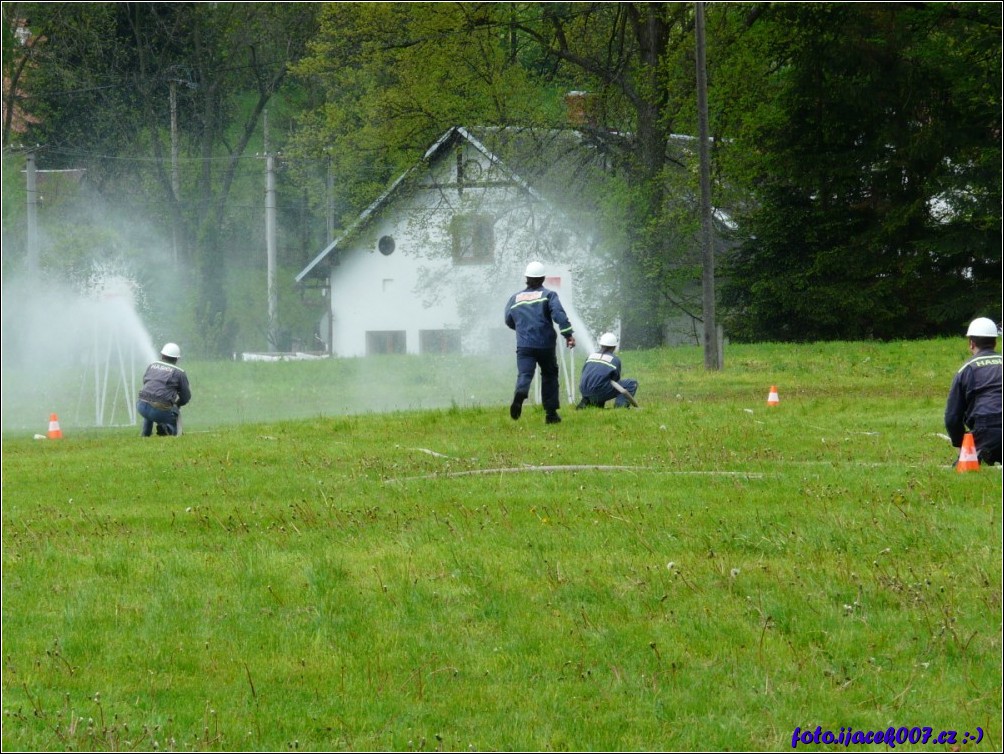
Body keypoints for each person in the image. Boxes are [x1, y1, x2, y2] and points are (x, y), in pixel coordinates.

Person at [504, 261, 576, 424]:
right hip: (545, 345)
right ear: (543, 278)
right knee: (549, 375)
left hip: (524, 346)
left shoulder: (515, 298)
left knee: (525, 374)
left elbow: (508, 320)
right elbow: (558, 314)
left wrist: (522, 329)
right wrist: (568, 334)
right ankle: (551, 414)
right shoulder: (549, 295)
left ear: (527, 278)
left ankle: (520, 392)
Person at [944, 317, 1002, 465]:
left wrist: (961, 444)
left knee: (965, 468)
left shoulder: (966, 369)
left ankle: (983, 453)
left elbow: (952, 417)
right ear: (995, 342)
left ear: (971, 343)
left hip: (986, 429)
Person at [137, 342, 192, 437]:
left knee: (149, 400)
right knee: (175, 425)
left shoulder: (152, 365)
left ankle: (145, 433)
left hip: (141, 406)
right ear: (177, 359)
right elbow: (186, 397)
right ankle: (167, 428)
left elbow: (146, 383)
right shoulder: (179, 373)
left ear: (162, 355)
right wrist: (177, 404)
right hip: (158, 411)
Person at [577, 332, 639, 409]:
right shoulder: (614, 359)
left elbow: (585, 373)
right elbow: (615, 380)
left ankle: (589, 402)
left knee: (601, 383)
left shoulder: (590, 356)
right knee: (631, 383)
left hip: (584, 391)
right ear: (614, 347)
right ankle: (620, 407)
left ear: (601, 345)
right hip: (599, 393)